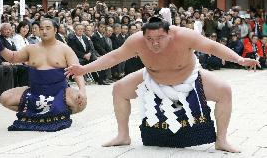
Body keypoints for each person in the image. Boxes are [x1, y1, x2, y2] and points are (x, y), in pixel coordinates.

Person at [65, 15, 259, 152]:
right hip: (152, 78)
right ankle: (123, 135)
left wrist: (240, 60)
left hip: (189, 77)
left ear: (169, 33)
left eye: (159, 38)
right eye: (149, 39)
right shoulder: (136, 41)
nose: (154, 43)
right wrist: (84, 69)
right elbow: (114, 57)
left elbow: (212, 46)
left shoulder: (185, 36)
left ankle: (222, 140)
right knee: (119, 89)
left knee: (224, 90)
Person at [0, 18, 87, 132]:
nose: (44, 31)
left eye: (48, 28)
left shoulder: (65, 49)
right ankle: (34, 113)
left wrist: (82, 90)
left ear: (55, 30)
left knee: (81, 103)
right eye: (41, 28)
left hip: (59, 92)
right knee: (5, 98)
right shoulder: (31, 48)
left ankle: (58, 112)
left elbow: (77, 71)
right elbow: (13, 57)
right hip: (35, 92)